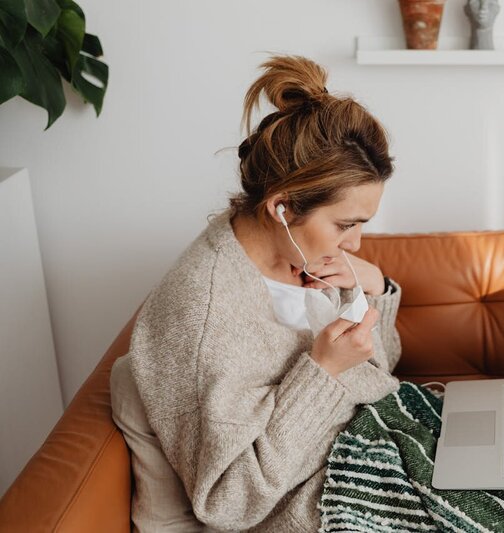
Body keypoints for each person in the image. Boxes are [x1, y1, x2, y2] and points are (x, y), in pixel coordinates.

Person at [109, 55, 403, 532]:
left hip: (380, 452)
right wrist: (323, 371)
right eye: (346, 225)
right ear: (282, 207)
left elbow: (378, 374)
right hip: (328, 507)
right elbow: (230, 502)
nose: (355, 244)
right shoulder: (202, 317)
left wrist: (374, 289)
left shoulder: (305, 259)